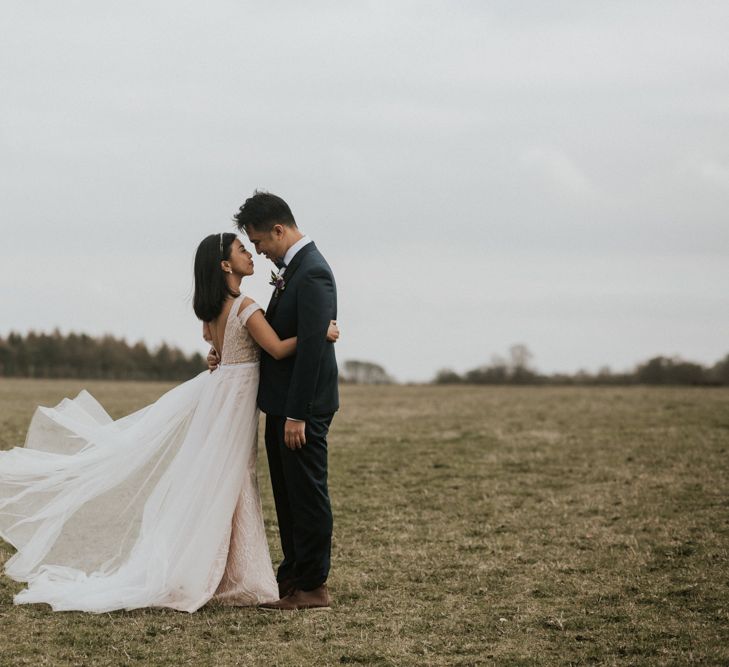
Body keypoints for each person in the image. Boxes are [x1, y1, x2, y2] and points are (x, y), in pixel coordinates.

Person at [0, 232, 338, 613]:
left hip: (220, 396)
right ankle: (227, 572)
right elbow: (275, 348)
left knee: (220, 480)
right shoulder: (246, 306)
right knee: (233, 479)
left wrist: (218, 355)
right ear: (225, 265)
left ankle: (225, 570)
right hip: (235, 402)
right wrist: (316, 333)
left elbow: (215, 346)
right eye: (242, 249)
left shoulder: (211, 310)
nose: (250, 253)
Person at [208, 191, 338, 611]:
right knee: (286, 493)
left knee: (306, 494)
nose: (259, 252)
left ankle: (313, 586)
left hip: (302, 408)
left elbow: (312, 352)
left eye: (260, 242)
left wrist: (298, 414)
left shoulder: (313, 272)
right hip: (280, 405)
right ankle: (292, 578)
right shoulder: (293, 270)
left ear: (279, 230)